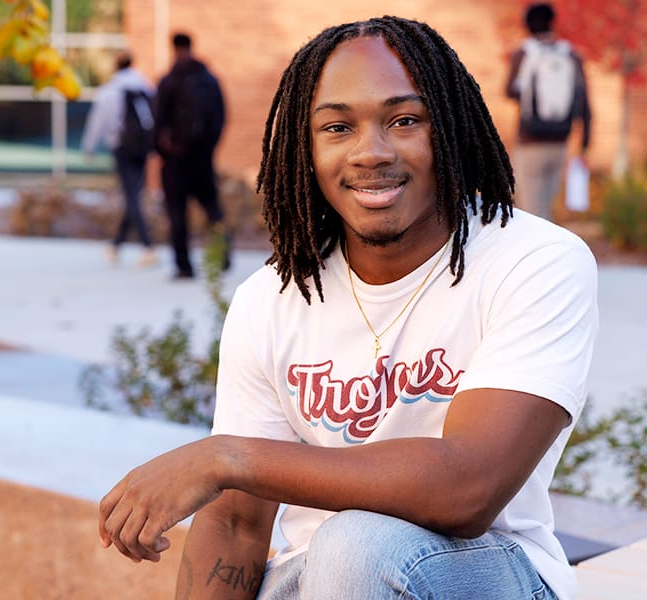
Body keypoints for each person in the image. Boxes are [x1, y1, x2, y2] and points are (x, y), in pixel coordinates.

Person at [99, 16, 598, 600]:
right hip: (316, 582)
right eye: (337, 127)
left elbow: (469, 487)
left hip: (483, 577)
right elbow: (237, 524)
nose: (371, 153)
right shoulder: (273, 298)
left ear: (449, 130)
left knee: (355, 544)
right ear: (305, 150)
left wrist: (225, 458)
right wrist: (228, 468)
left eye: (405, 120)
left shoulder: (534, 261)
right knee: (318, 565)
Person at [505, 2, 591, 221]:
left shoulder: (524, 53)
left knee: (530, 214)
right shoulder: (571, 55)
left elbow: (508, 91)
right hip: (560, 141)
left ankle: (539, 254)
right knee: (546, 212)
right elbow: (585, 102)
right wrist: (584, 144)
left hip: (529, 142)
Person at [154, 32, 229, 279]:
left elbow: (156, 121)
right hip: (202, 158)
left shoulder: (169, 80)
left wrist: (163, 150)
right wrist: (208, 148)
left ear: (174, 48)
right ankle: (223, 255)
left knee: (177, 213)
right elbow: (221, 117)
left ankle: (184, 266)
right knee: (212, 208)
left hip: (175, 160)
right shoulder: (209, 80)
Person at [82, 51, 157, 267]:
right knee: (133, 194)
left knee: (131, 196)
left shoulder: (109, 91)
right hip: (142, 148)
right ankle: (116, 245)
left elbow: (97, 121)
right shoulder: (144, 86)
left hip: (121, 148)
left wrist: (89, 147)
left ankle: (147, 246)